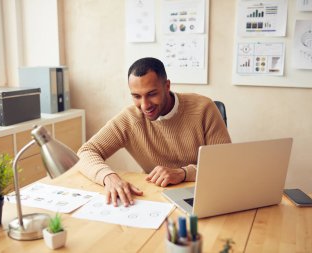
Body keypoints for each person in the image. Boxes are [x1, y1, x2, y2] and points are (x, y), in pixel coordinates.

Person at [75, 57, 231, 207]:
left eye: (151, 94)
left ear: (167, 86)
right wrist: (109, 177)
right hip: (155, 196)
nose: (144, 105)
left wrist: (183, 173)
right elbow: (86, 151)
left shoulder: (204, 108)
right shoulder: (130, 119)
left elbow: (224, 165)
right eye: (136, 96)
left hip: (201, 193)